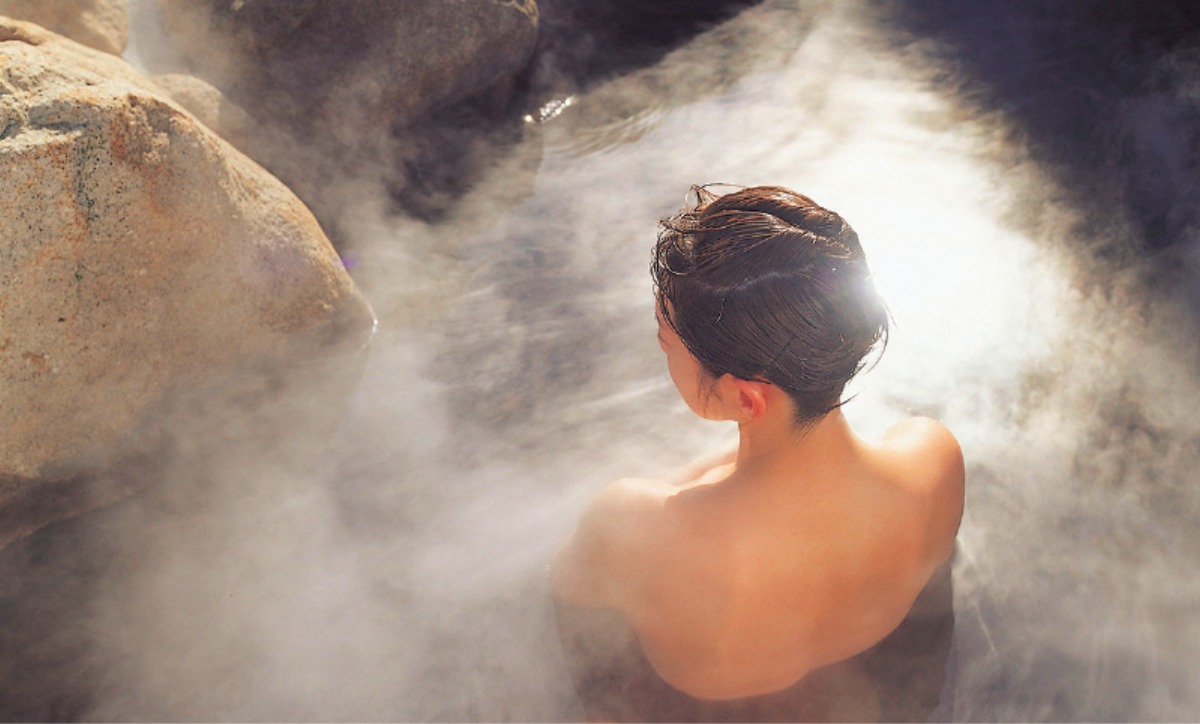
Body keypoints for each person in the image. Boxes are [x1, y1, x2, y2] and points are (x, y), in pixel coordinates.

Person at [550, 185, 965, 720]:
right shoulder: (933, 462)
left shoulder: (634, 528)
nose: (661, 346)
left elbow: (577, 629)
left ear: (745, 397)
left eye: (663, 335)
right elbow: (933, 633)